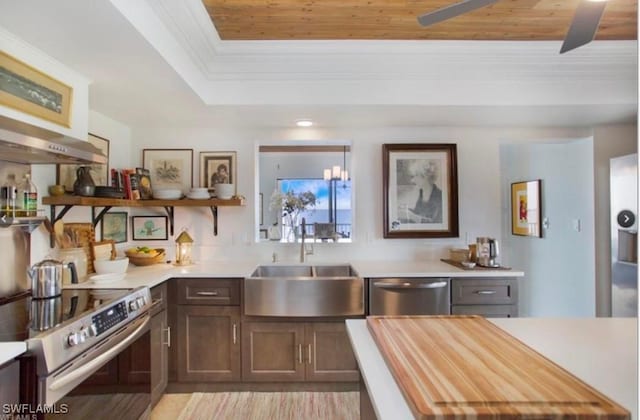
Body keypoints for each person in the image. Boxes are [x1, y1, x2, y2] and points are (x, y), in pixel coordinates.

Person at [401, 159, 442, 223]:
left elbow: (435, 223)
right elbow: (419, 213)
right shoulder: (422, 192)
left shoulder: (440, 196)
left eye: (414, 176)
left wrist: (411, 216)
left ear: (425, 176)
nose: (412, 181)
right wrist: (406, 211)